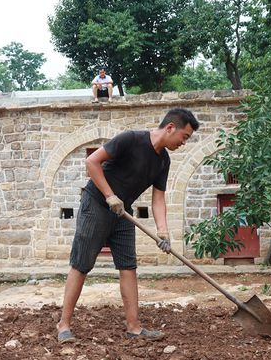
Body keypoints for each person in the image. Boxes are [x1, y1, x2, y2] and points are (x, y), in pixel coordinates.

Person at [56, 108, 200, 344]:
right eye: (184, 137)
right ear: (170, 128)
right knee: (82, 264)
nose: (184, 143)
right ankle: (64, 324)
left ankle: (134, 327)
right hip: (96, 203)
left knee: (128, 266)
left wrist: (163, 230)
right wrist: (110, 196)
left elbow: (158, 198)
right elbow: (92, 162)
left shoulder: (163, 160)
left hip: (123, 213)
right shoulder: (131, 139)